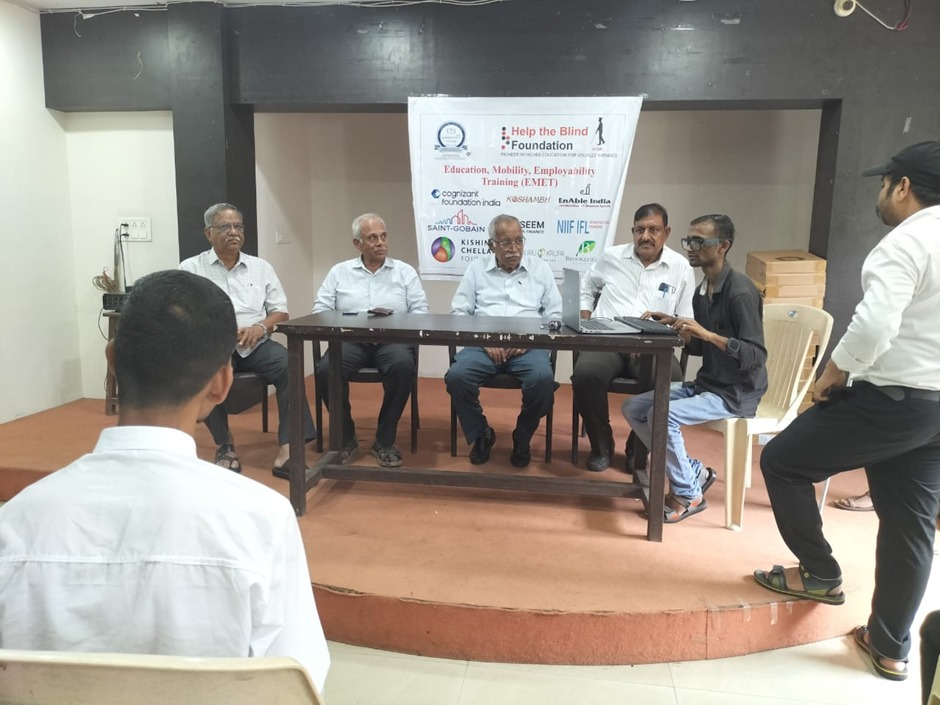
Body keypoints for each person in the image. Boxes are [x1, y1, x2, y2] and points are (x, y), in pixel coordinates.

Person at [0, 270, 331, 693]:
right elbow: (296, 685)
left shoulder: (19, 519)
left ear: (113, 361)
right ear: (221, 384)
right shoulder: (261, 518)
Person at [753, 141, 940, 683]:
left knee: (784, 460)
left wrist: (833, 373)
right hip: (934, 410)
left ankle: (819, 573)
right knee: (910, 526)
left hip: (889, 400)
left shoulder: (905, 242)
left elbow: (876, 325)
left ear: (902, 186)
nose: (880, 194)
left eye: (885, 184)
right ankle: (889, 646)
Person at [622, 214, 767, 523]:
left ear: (723, 246)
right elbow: (701, 348)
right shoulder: (705, 288)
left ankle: (689, 493)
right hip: (708, 383)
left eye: (700, 242)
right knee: (634, 407)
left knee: (664, 413)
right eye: (689, 241)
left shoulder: (739, 291)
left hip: (735, 392)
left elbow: (755, 355)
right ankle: (694, 471)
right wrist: (678, 330)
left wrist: (706, 333)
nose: (691, 248)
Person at [180, 203, 316, 477]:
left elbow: (280, 311)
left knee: (290, 365)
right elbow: (183, 313)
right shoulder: (191, 268)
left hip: (256, 343)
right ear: (208, 233)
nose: (234, 232)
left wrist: (261, 327)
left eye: (238, 226)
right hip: (214, 345)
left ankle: (289, 448)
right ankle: (224, 445)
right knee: (204, 371)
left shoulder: (261, 267)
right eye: (225, 227)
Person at [572, 203, 695, 472]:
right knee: (585, 375)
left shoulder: (681, 267)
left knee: (671, 383)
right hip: (608, 342)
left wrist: (663, 332)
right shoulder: (611, 257)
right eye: (640, 230)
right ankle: (601, 446)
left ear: (667, 232)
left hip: (654, 348)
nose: (646, 236)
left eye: (653, 229)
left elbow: (687, 323)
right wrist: (587, 318)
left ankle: (637, 449)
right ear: (633, 231)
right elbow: (587, 287)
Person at [312, 213, 429, 467]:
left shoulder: (404, 272)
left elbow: (421, 311)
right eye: (372, 238)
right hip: (351, 342)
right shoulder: (339, 272)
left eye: (383, 236)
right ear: (358, 244)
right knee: (326, 369)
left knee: (403, 367)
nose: (380, 242)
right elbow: (320, 310)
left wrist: (401, 327)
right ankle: (345, 437)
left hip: (392, 342)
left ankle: (384, 441)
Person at [446, 214, 562, 467]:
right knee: (457, 377)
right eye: (506, 242)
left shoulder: (540, 269)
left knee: (543, 381)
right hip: (484, 344)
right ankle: (481, 433)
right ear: (491, 245)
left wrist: (532, 339)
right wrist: (483, 340)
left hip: (528, 346)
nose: (514, 248)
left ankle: (522, 437)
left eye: (519, 240)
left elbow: (555, 315)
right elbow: (459, 312)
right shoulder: (476, 269)